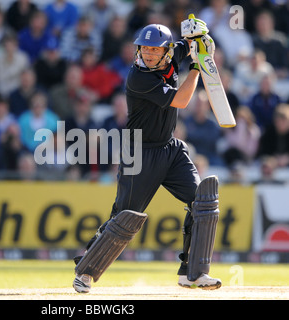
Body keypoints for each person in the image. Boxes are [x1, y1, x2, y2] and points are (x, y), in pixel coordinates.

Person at [72, 19, 222, 293]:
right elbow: (182, 100)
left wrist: (200, 38)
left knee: (203, 201)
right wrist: (197, 68)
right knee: (124, 217)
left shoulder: (171, 53)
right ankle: (86, 270)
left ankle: (193, 273)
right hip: (138, 152)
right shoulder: (138, 77)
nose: (149, 54)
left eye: (155, 50)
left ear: (166, 51)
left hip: (170, 149)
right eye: (145, 49)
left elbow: (192, 44)